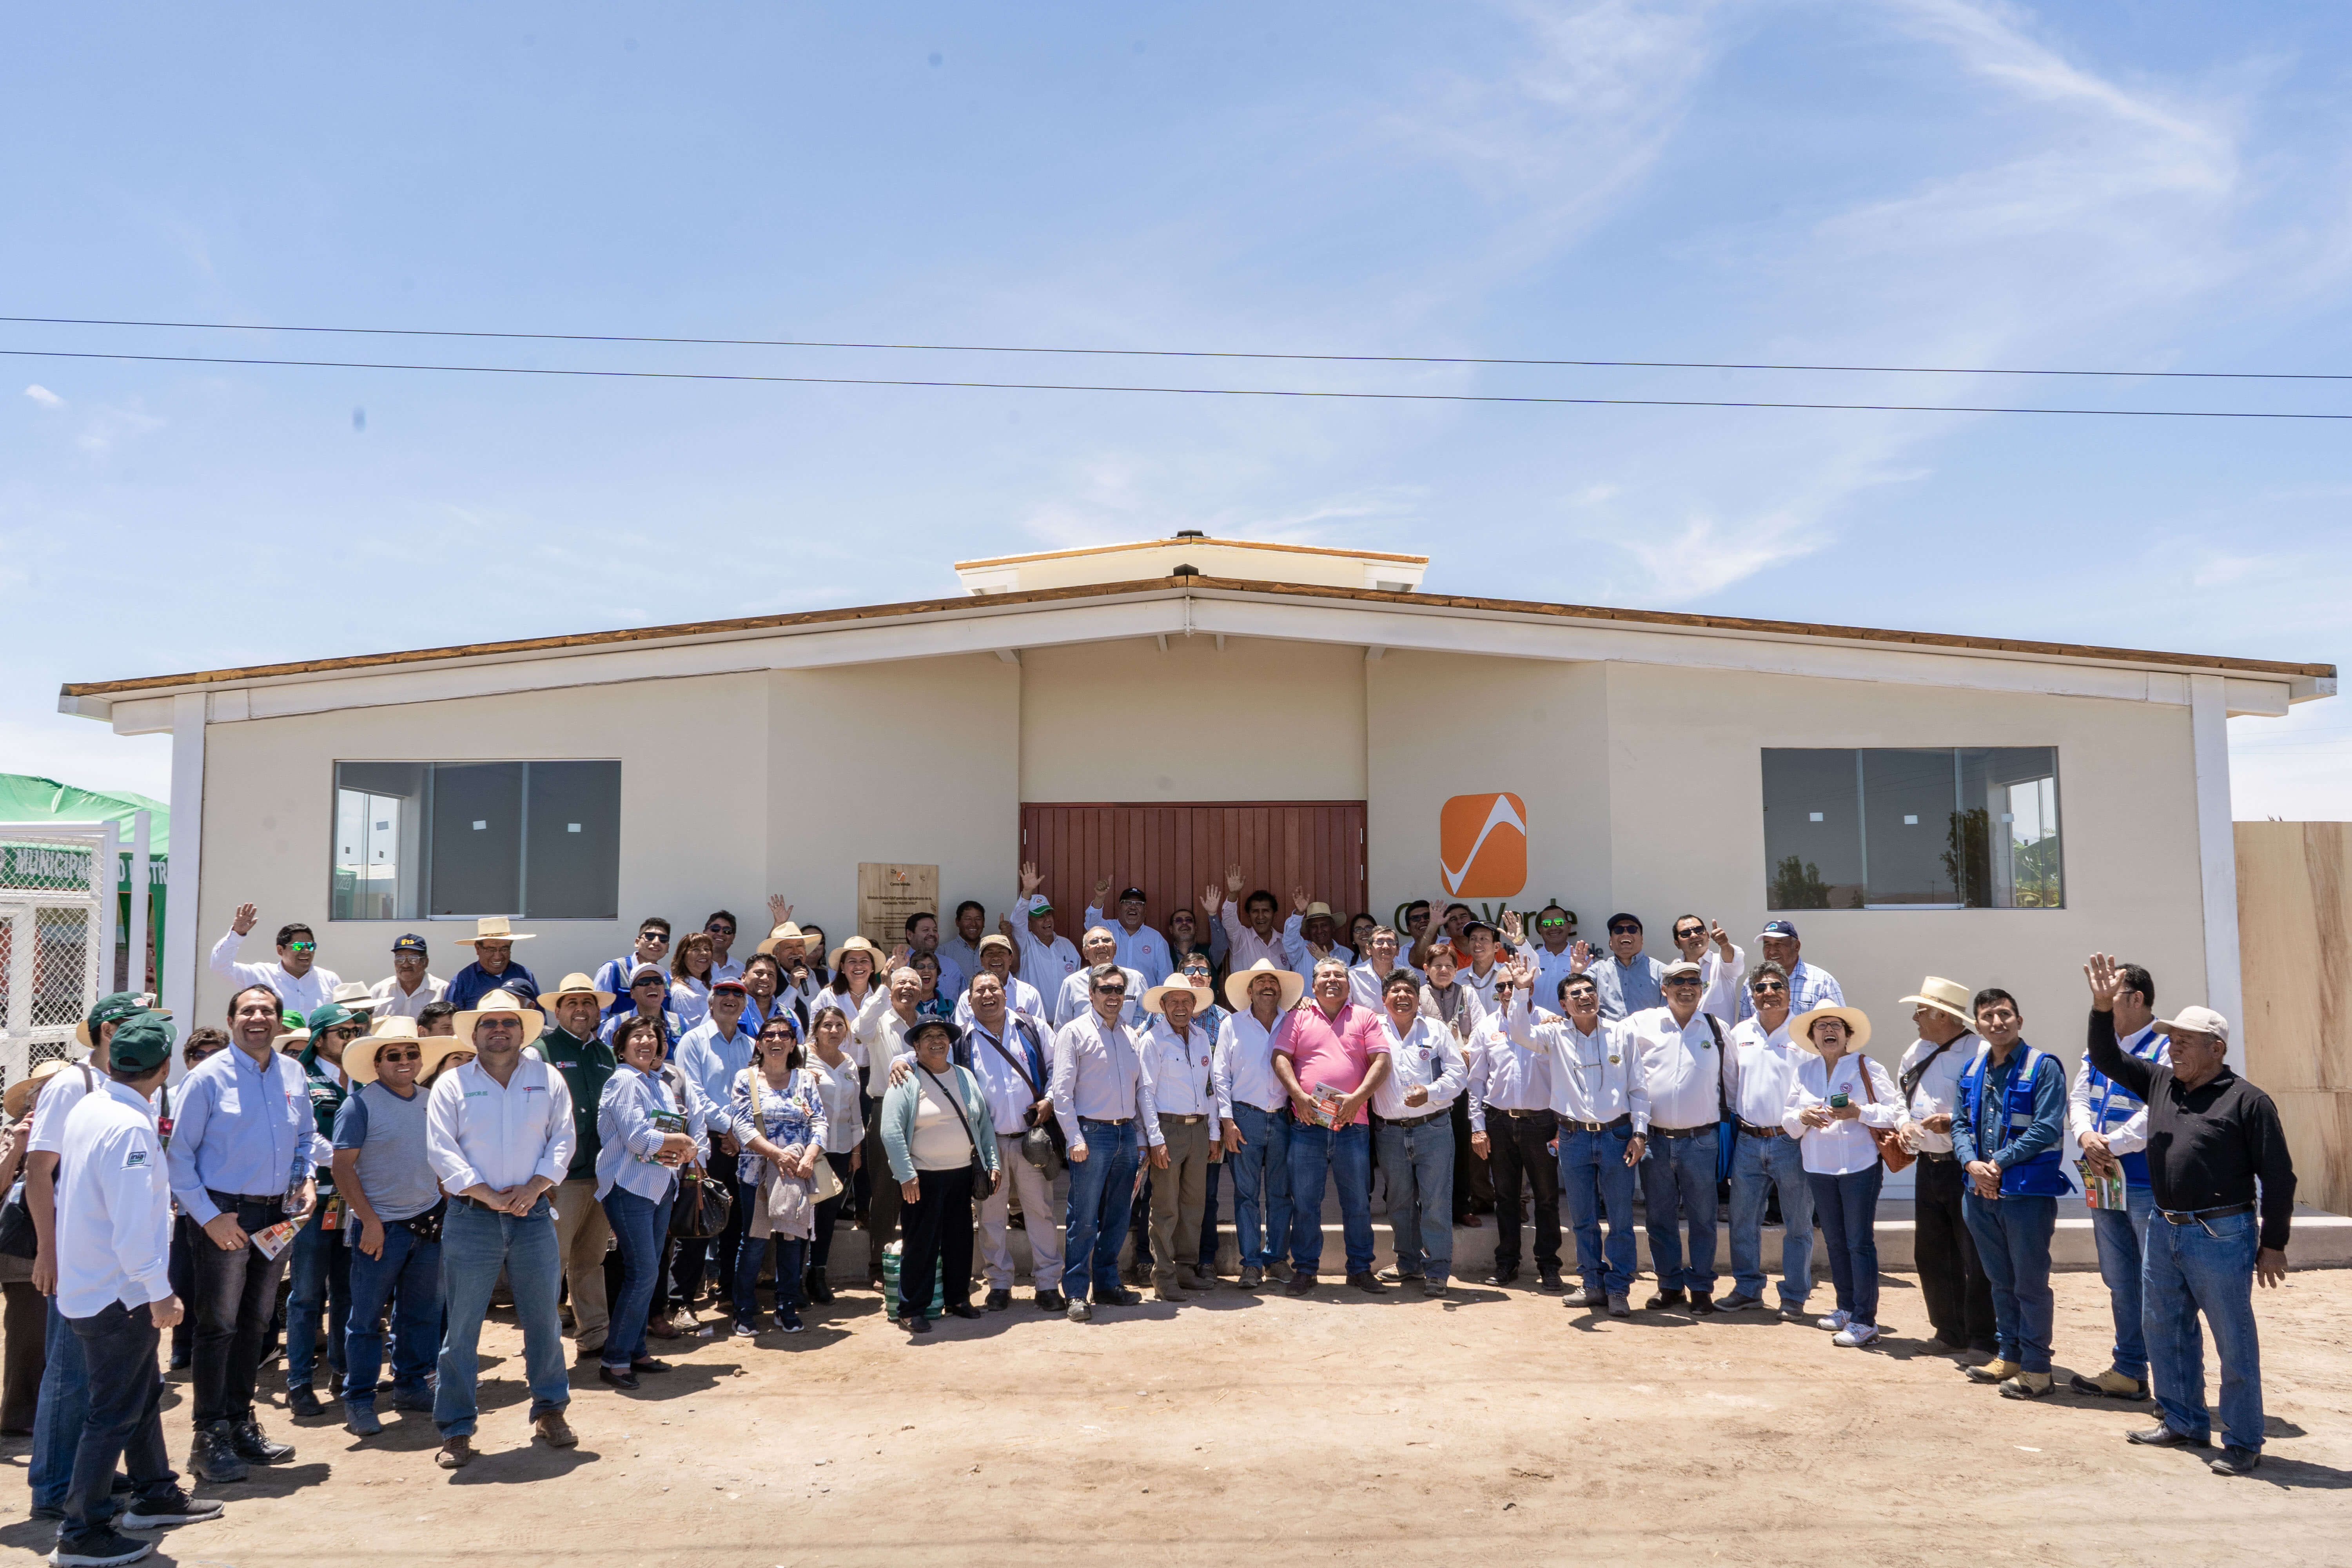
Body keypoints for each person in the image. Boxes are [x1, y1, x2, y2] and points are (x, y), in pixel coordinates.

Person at [2085, 957, 2294, 1475]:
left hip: (2222, 1233)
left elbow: (2281, 1178)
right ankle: (2182, 1420)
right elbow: (2105, 1055)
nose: (2172, 1048)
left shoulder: (2249, 1101)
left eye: (2184, 1041)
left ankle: (2244, 1439)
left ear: (2216, 1049)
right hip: (2165, 1226)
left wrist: (2274, 1243)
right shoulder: (2160, 1084)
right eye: (2171, 1039)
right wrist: (2100, 1006)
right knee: (2165, 1327)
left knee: (2233, 1338)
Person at [51, 1012, 224, 1567]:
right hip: (117, 1293)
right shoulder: (128, 1126)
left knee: (138, 1395)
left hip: (98, 1285)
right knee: (114, 1411)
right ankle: (81, 1531)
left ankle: (155, 1492)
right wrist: (159, 1291)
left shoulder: (93, 1106)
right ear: (166, 1068)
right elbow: (131, 1226)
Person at [164, 983, 326, 1483]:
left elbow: (303, 1136)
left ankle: (240, 1423)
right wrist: (210, 1217)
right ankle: (208, 1436)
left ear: (279, 1021)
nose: (258, 1017)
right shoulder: (207, 1078)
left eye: (267, 1010)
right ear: (232, 1019)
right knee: (217, 1327)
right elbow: (179, 1156)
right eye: (248, 1010)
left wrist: (309, 1180)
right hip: (224, 1217)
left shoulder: (294, 1073)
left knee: (256, 1324)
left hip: (276, 1216)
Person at [24, 993, 166, 1517]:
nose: (150, 1031)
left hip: (111, 1265)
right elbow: (41, 1171)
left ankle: (122, 1481)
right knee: (70, 1377)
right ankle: (57, 1490)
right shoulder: (73, 1085)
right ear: (109, 1030)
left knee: (127, 1381)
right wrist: (47, 1250)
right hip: (80, 1257)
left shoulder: (124, 1092)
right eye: (139, 1023)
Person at [424, 989, 577, 1466]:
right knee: (463, 1330)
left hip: (532, 1216)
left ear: (521, 1029)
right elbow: (441, 1149)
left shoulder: (547, 1078)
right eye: (489, 1023)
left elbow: (564, 1139)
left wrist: (533, 1188)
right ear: (474, 1032)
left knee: (544, 1321)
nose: (498, 1030)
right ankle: (456, 1428)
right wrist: (486, 1193)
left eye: (508, 1022)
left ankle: (551, 1409)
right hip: (473, 1218)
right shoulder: (452, 1084)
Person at [330, 1015, 453, 1438]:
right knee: (365, 1320)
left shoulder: (431, 1099)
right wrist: (369, 1221)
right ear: (378, 1062)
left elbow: (438, 1156)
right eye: (394, 1055)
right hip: (381, 1228)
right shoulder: (359, 1104)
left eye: (411, 1052)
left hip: (428, 1222)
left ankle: (411, 1386)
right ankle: (360, 1398)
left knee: (420, 1314)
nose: (405, 1060)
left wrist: (445, 1196)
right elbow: (343, 1168)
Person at [1504, 965, 1647, 1316]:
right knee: (1583, 1218)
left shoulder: (1622, 1033)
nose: (1585, 997)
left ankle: (1619, 1289)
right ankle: (1593, 1284)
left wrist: (1640, 1133)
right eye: (1576, 994)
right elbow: (1518, 1031)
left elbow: (1639, 1087)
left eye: (1589, 991)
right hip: (1573, 1138)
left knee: (1620, 1220)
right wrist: (1522, 991)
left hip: (1617, 1136)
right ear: (1564, 1005)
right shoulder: (1554, 1035)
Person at [1953, 987, 2070, 1400]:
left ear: (2019, 1020)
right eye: (1987, 1016)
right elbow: (1959, 1126)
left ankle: (2038, 1369)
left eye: (2004, 1014)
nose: (1997, 1022)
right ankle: (2010, 1355)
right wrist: (1971, 1164)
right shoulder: (1972, 1068)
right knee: (1999, 1281)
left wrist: (1998, 1162)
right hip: (1979, 1193)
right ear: (1978, 1025)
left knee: (2030, 1284)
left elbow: (2047, 1126)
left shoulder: (2044, 1067)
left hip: (2026, 1195)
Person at [2067, 960, 2167, 1401]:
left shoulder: (2165, 1046)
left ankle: (2172, 1384)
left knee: (2156, 1280)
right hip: (2103, 1177)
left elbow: (2159, 1109)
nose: (2103, 996)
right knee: (2119, 1277)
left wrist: (2113, 1144)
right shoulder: (2098, 1044)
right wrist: (2086, 1136)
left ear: (2137, 998)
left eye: (2113, 989)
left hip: (2145, 1180)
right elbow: (2079, 1096)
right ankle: (2129, 1368)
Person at [595, 1015, 706, 1391]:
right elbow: (639, 1139)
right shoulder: (624, 1081)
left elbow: (666, 1132)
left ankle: (636, 1351)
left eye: (653, 1037)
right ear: (622, 1045)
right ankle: (615, 1359)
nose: (646, 1042)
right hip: (629, 1187)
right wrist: (684, 1147)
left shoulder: (656, 1082)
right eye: (637, 1037)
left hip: (658, 1187)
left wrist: (677, 1151)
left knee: (649, 1273)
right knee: (642, 1273)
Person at [1051, 964, 1164, 1321]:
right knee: (1083, 1219)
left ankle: (1106, 1283)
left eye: (1119, 990)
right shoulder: (1074, 1032)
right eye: (1105, 989)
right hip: (1091, 1136)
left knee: (1118, 1217)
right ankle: (1075, 1292)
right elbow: (1061, 1094)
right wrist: (1074, 1138)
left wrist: (1147, 1137)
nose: (1113, 996)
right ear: (1091, 993)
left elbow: (1142, 1091)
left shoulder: (1131, 1035)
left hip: (1125, 1136)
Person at [1782, 1006, 1899, 1347]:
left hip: (1859, 1167)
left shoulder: (1867, 1066)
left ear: (1848, 1035)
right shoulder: (1804, 1072)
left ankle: (1866, 1319)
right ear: (1812, 1037)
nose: (1828, 1031)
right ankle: (1846, 1308)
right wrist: (1803, 1116)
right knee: (1835, 1242)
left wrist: (1858, 1112)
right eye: (1821, 1027)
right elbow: (1789, 1125)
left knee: (1859, 1243)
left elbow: (1894, 1112)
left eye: (1835, 1026)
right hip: (1818, 1167)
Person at [1273, 958, 1391, 1296]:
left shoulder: (1365, 1017)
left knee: (1357, 1202)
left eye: (1339, 975)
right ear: (1314, 985)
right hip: (1308, 1125)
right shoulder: (1298, 1017)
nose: (1332, 980)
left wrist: (1357, 1098)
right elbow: (1281, 1057)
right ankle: (1306, 1269)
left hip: (1353, 1124)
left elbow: (1382, 1060)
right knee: (1306, 1202)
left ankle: (1360, 1269)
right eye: (1325, 976)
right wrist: (1298, 1095)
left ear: (1348, 984)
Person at [1893, 976, 1996, 1357]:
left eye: (1921, 1010)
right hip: (1929, 1163)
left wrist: (1953, 1120)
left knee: (1974, 1252)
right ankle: (1949, 1330)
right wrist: (1904, 1123)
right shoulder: (1915, 1051)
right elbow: (1901, 1099)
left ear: (1941, 1014)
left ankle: (1984, 1337)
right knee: (1932, 1251)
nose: (1916, 1018)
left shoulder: (1981, 1050)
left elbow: (1990, 1106)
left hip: (1966, 1166)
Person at [881, 1018, 998, 1332]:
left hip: (962, 1173)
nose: (936, 1041)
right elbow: (890, 1131)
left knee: (959, 1240)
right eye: (928, 1037)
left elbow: (983, 1123)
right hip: (922, 1178)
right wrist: (906, 1174)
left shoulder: (964, 1076)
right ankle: (911, 1308)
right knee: (921, 1243)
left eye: (942, 1036)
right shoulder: (905, 1079)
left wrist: (993, 1161)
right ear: (916, 1047)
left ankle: (958, 1299)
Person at [529, 973, 620, 1363]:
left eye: (588, 1002)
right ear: (557, 1009)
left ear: (599, 1010)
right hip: (559, 1178)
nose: (581, 1009)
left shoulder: (606, 1055)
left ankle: (595, 1335)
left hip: (601, 1175)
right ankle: (542, 1342)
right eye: (572, 1003)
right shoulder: (540, 1051)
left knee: (590, 1260)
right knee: (552, 1263)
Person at [962, 971, 1065, 1312]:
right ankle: (999, 1283)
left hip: (1031, 1141)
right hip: (988, 1144)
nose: (988, 995)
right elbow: (931, 1063)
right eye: (980, 991)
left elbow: (1058, 1068)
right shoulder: (963, 1039)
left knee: (1041, 1213)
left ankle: (1049, 1284)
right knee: (991, 1217)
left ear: (1006, 994)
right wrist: (901, 1063)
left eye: (994, 988)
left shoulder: (1032, 1028)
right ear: (970, 999)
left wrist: (1050, 1099)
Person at [1630, 960, 1728, 1312]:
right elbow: (1602, 1032)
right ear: (1664, 988)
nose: (1687, 987)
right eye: (1678, 981)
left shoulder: (1717, 1028)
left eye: (1694, 981)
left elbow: (1731, 1082)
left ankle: (1701, 1288)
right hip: (1654, 1140)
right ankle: (1670, 1285)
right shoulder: (1642, 1023)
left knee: (1703, 1217)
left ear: (1702, 988)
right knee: (1659, 1216)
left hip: (1701, 1140)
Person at [285, 999, 366, 1418]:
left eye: (354, 1032)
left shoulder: (364, 1078)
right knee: (307, 1293)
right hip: (316, 1198)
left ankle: (344, 1370)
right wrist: (341, 1156)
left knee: (349, 1290)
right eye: (342, 1032)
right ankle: (299, 1380)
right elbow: (302, 1134)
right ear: (320, 1037)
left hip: (355, 1199)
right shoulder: (302, 1077)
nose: (350, 1038)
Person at [1719, 962, 1815, 1318]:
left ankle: (1794, 1296)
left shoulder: (1805, 1034)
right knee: (1743, 1221)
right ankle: (1748, 1289)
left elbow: (1815, 1086)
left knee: (1798, 1225)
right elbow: (1731, 1085)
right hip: (1747, 1141)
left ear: (1789, 992)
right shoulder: (1740, 1032)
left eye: (1776, 986)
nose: (1768, 993)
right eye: (1760, 988)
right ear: (1751, 995)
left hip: (1791, 1142)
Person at [1371, 969, 1468, 1297]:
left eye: (1408, 992)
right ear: (1384, 999)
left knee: (1436, 1201)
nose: (1402, 996)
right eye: (1395, 991)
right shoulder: (1373, 1030)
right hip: (1390, 1132)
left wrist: (1430, 1092)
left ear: (1418, 998)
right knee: (1398, 1201)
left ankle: (1438, 1269)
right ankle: (1408, 1262)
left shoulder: (1436, 1029)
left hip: (1434, 1128)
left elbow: (1459, 1074)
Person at [731, 1013, 827, 1335]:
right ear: (759, 1043)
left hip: (796, 1173)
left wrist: (810, 1156)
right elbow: (742, 1125)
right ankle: (743, 1310)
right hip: (757, 1172)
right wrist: (775, 1154)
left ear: (793, 1042)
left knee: (791, 1240)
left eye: (784, 1034)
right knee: (755, 1240)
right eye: (769, 1035)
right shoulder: (747, 1079)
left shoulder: (805, 1080)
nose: (776, 1040)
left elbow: (820, 1123)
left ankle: (786, 1306)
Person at [672, 979, 760, 1320]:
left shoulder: (751, 1044)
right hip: (704, 1143)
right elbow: (692, 1095)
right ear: (711, 1003)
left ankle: (728, 1290)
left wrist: (738, 1132)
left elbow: (754, 1095)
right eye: (723, 993)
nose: (731, 999)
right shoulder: (693, 1041)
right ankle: (682, 1302)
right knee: (696, 1223)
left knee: (738, 1221)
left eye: (739, 994)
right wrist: (728, 1129)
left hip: (743, 1143)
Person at [1467, 962, 1558, 1291]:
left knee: (1547, 1198)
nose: (1507, 992)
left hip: (1542, 1123)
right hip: (1499, 1123)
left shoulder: (1551, 1022)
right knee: (1505, 1197)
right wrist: (1478, 1127)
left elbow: (1563, 1079)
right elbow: (1476, 1081)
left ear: (1529, 987)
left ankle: (1549, 1266)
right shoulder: (1485, 1028)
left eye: (1513, 986)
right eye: (1501, 988)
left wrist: (1562, 1124)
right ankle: (1507, 1263)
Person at [1213, 959, 1297, 1290]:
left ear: (1280, 990)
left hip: (1283, 1118)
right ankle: (1250, 1264)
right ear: (1249, 990)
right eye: (1261, 982)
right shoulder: (1232, 1025)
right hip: (1244, 1117)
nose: (1268, 986)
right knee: (1246, 1195)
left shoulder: (1292, 1022)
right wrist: (1227, 1121)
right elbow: (1220, 1075)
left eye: (1273, 982)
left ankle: (1275, 1259)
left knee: (1281, 1194)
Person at [1138, 971, 1220, 1301]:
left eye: (1187, 1001)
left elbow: (1210, 1088)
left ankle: (1186, 1269)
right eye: (1174, 1001)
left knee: (1193, 1205)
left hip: (1199, 1129)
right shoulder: (1152, 1040)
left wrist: (1214, 1131)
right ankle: (1164, 1275)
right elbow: (1145, 1092)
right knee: (1165, 1207)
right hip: (1168, 1130)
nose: (1182, 1007)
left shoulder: (1202, 1037)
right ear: (1162, 1005)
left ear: (1195, 1005)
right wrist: (1155, 1139)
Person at [852, 953, 925, 1284]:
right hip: (886, 1110)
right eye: (902, 983)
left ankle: (916, 1258)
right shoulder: (880, 1022)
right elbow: (859, 1029)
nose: (908, 988)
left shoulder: (926, 1024)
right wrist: (882, 988)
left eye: (914, 983)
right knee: (885, 1190)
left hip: (924, 1114)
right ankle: (878, 1265)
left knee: (921, 1185)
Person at [0, 1062, 62, 1436]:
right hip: (21, 1250)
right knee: (29, 1335)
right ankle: (20, 1419)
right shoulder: (13, 1134)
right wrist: (19, 1148)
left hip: (71, 1246)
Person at [1419, 942, 1494, 1228]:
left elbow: (1482, 1030)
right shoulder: (1417, 994)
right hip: (1427, 1084)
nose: (1443, 970)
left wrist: (1463, 1048)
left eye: (1449, 966)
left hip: (1460, 1084)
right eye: (1437, 965)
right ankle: (1428, 1207)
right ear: (1426, 969)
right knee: (1430, 1149)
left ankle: (1462, 1205)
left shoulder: (1467, 993)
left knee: (1462, 1147)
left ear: (1457, 969)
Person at [802, 1004, 863, 1305]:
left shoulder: (849, 1063)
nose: (834, 1031)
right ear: (816, 1029)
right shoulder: (801, 1058)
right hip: (808, 1149)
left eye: (840, 1025)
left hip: (840, 1149)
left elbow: (855, 1111)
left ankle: (818, 1274)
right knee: (801, 1214)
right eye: (827, 1025)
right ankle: (791, 1278)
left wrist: (856, 1149)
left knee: (826, 1215)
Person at [210, 904, 341, 1020]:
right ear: (280, 950)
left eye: (311, 946)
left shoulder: (330, 979)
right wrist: (236, 935)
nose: (307, 951)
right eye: (299, 946)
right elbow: (220, 967)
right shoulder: (261, 975)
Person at [1741, 920, 1843, 1022]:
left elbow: (1840, 1025)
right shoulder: (1752, 982)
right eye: (1767, 945)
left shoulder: (1823, 982)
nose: (1772, 951)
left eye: (1779, 944)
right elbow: (1745, 1029)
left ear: (1796, 946)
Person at [951, 933, 1048, 1036]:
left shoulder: (1029, 993)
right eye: (990, 953)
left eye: (1001, 953)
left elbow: (1041, 1034)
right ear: (982, 960)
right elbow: (962, 1037)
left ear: (1011, 958)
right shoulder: (968, 997)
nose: (996, 958)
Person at [441, 916, 541, 1012]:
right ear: (478, 949)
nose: (498, 956)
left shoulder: (525, 975)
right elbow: (451, 1022)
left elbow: (539, 1018)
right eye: (491, 950)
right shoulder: (462, 981)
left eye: (504, 949)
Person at [1052, 927, 1145, 1029]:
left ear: (1115, 949)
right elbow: (1062, 1026)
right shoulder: (1071, 983)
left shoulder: (1136, 978)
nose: (1101, 945)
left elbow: (1148, 1017)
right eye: (1094, 942)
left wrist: (1137, 1034)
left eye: (1106, 940)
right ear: (1085, 953)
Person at [1011, 864, 1083, 994]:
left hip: (1065, 1014)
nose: (1047, 920)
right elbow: (1017, 921)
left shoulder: (1067, 945)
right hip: (1034, 1014)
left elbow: (1078, 984)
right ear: (1029, 924)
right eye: (1040, 917)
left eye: (1049, 914)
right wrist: (1027, 892)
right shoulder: (1024, 943)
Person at [1207, 868, 1292, 973]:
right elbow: (1229, 919)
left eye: (1266, 911)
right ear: (1249, 915)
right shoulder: (1241, 938)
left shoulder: (1285, 942)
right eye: (1255, 911)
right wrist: (1234, 894)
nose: (1261, 917)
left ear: (1274, 914)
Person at [1668, 915, 1746, 1024]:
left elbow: (1733, 961)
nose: (1694, 935)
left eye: (1699, 930)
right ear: (1677, 944)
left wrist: (1724, 944)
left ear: (1708, 936)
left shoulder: (1722, 964)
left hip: (1718, 1040)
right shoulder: (1672, 970)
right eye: (1686, 934)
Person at [1586, 913, 1663, 1023]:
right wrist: (1576, 972)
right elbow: (1576, 992)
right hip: (1609, 1038)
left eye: (1632, 929)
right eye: (1619, 930)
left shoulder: (1661, 971)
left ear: (1642, 940)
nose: (1626, 933)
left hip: (1647, 1038)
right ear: (1611, 942)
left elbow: (1669, 1012)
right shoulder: (1598, 970)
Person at [596, 918, 674, 1022]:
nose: (656, 942)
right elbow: (599, 1013)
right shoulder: (613, 970)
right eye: (650, 937)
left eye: (663, 939)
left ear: (668, 948)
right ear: (637, 942)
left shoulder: (667, 978)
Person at [600, 964, 686, 1052]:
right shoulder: (615, 1025)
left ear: (665, 992)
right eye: (644, 982)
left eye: (658, 981)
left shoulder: (681, 1023)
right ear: (632, 993)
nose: (653, 986)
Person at [1281, 893, 1354, 992]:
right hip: (1306, 1007)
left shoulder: (1347, 954)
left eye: (1324, 925)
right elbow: (1290, 938)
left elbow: (1352, 987)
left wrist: (1327, 961)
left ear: (1333, 927)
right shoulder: (1302, 950)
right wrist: (1299, 913)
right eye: (1314, 927)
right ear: (1308, 930)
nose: (1319, 931)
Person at [366, 933, 445, 1019]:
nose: (406, 965)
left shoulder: (443, 991)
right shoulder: (379, 991)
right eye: (400, 959)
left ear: (425, 962)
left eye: (414, 959)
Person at [902, 911, 966, 1000]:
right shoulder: (896, 965)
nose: (932, 934)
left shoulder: (952, 965)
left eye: (935, 930)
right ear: (910, 935)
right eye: (926, 930)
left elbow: (965, 1004)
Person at [1347, 925, 1408, 1009]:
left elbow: (1414, 1010)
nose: (1386, 946)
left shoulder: (1407, 976)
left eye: (1391, 942)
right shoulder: (1352, 976)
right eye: (1380, 942)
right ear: (1369, 949)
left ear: (1398, 951)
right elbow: (1346, 1010)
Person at [939, 900, 989, 1000]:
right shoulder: (943, 952)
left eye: (978, 919)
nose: (974, 924)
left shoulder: (991, 950)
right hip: (957, 1013)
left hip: (988, 1009)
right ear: (958, 922)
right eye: (968, 919)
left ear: (984, 923)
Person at [669, 930, 718, 1031]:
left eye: (707, 949)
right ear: (683, 957)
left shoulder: (710, 987)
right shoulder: (681, 993)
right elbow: (691, 1032)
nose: (704, 953)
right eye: (696, 950)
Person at [703, 910, 745, 985]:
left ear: (733, 938)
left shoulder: (742, 970)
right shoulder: (692, 965)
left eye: (727, 931)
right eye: (715, 928)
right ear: (704, 933)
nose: (720, 934)